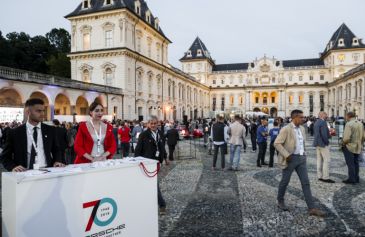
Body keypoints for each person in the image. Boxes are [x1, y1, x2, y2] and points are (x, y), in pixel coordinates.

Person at [274, 110, 325, 217]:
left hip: (301, 159)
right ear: (295, 118)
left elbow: (301, 143)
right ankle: (280, 200)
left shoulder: (302, 128)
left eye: (303, 117)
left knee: (306, 183)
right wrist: (287, 155)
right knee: (285, 181)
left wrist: (304, 154)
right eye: (301, 117)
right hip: (290, 158)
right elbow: (277, 143)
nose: (303, 119)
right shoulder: (286, 129)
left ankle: (311, 208)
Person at [0, 98, 65, 172]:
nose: (42, 114)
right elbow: (5, 157)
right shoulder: (15, 132)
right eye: (38, 111)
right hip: (24, 173)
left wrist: (57, 160)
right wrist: (13, 167)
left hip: (47, 171)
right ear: (28, 112)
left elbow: (56, 150)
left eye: (43, 110)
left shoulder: (50, 130)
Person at [135, 116, 167, 214]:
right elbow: (137, 150)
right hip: (147, 163)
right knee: (154, 184)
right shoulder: (143, 135)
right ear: (148, 124)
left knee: (152, 184)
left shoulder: (160, 133)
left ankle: (152, 204)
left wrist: (165, 158)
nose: (153, 125)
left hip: (157, 162)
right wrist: (137, 163)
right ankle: (162, 205)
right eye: (151, 123)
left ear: (158, 123)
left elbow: (162, 147)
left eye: (155, 123)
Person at [341, 112, 364, 184]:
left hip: (349, 146)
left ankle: (351, 179)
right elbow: (363, 136)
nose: (345, 117)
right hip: (358, 146)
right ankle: (356, 178)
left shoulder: (349, 124)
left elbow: (346, 138)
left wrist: (343, 143)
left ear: (348, 116)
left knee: (350, 163)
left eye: (346, 116)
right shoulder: (360, 123)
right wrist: (360, 143)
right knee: (356, 163)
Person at [313, 112, 334, 183]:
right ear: (321, 115)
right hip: (323, 144)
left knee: (319, 160)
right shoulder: (323, 122)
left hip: (317, 143)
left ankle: (319, 176)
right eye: (326, 114)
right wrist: (327, 142)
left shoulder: (316, 122)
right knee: (326, 160)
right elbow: (324, 134)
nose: (327, 115)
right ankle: (325, 177)